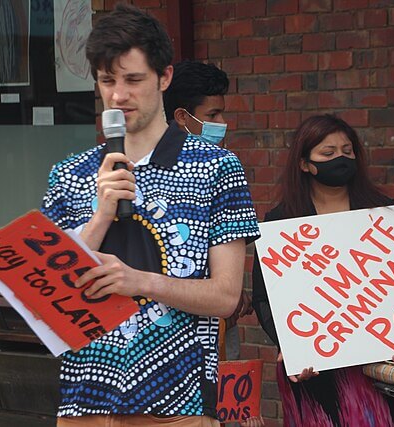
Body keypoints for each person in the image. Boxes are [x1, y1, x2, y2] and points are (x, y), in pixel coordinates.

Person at [41, 5, 260, 426]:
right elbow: (49, 293)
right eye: (108, 81)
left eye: (133, 80)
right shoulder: (70, 173)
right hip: (83, 402)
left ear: (164, 77)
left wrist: (138, 280)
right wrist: (100, 217)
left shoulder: (216, 167)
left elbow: (225, 296)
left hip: (177, 405)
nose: (118, 95)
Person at [251, 114, 394, 427]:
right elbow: (264, 298)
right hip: (318, 378)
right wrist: (291, 347)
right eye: (328, 153)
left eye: (347, 151)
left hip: (382, 369)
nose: (341, 159)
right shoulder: (281, 223)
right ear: (304, 163)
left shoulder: (385, 213)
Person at [163, 60, 263, 427]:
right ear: (181, 117)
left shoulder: (222, 168)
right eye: (214, 113)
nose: (223, 123)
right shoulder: (133, 173)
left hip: (219, 332)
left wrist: (232, 285)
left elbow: (226, 275)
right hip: (166, 348)